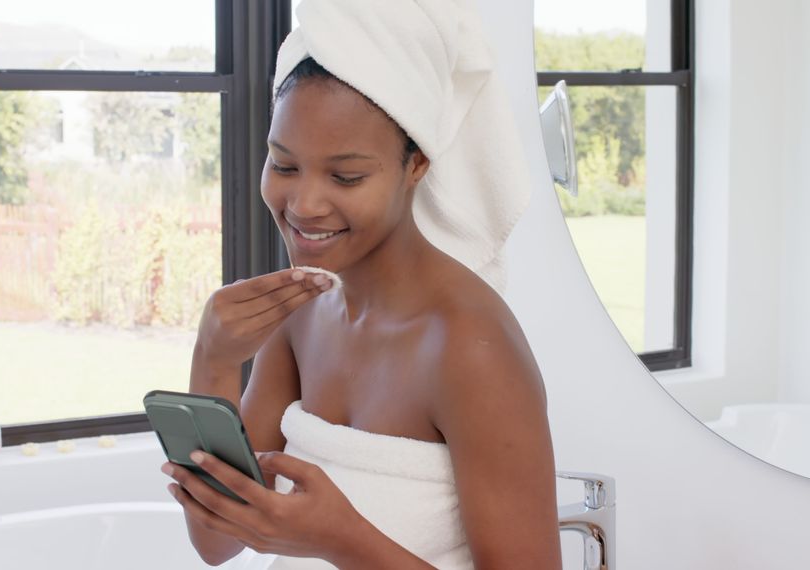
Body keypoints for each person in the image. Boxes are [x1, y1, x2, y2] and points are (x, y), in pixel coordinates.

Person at [161, 6, 562, 570]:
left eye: (346, 176)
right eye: (283, 165)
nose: (304, 205)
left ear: (416, 164)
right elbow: (217, 542)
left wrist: (341, 539)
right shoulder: (303, 309)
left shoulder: (469, 347)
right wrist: (213, 361)